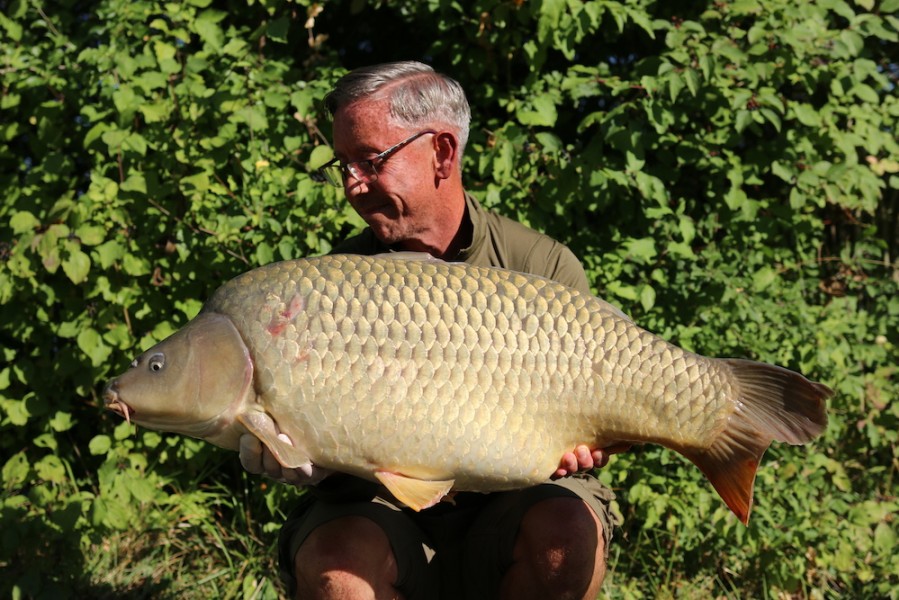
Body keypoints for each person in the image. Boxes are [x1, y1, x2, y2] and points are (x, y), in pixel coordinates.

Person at [239, 61, 625, 600]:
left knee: (566, 540)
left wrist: (589, 440)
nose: (352, 185)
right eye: (342, 165)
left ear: (442, 152)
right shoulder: (331, 287)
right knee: (338, 573)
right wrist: (299, 459)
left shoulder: (540, 264)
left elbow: (588, 418)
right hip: (380, 508)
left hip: (515, 498)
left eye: (369, 161)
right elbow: (323, 447)